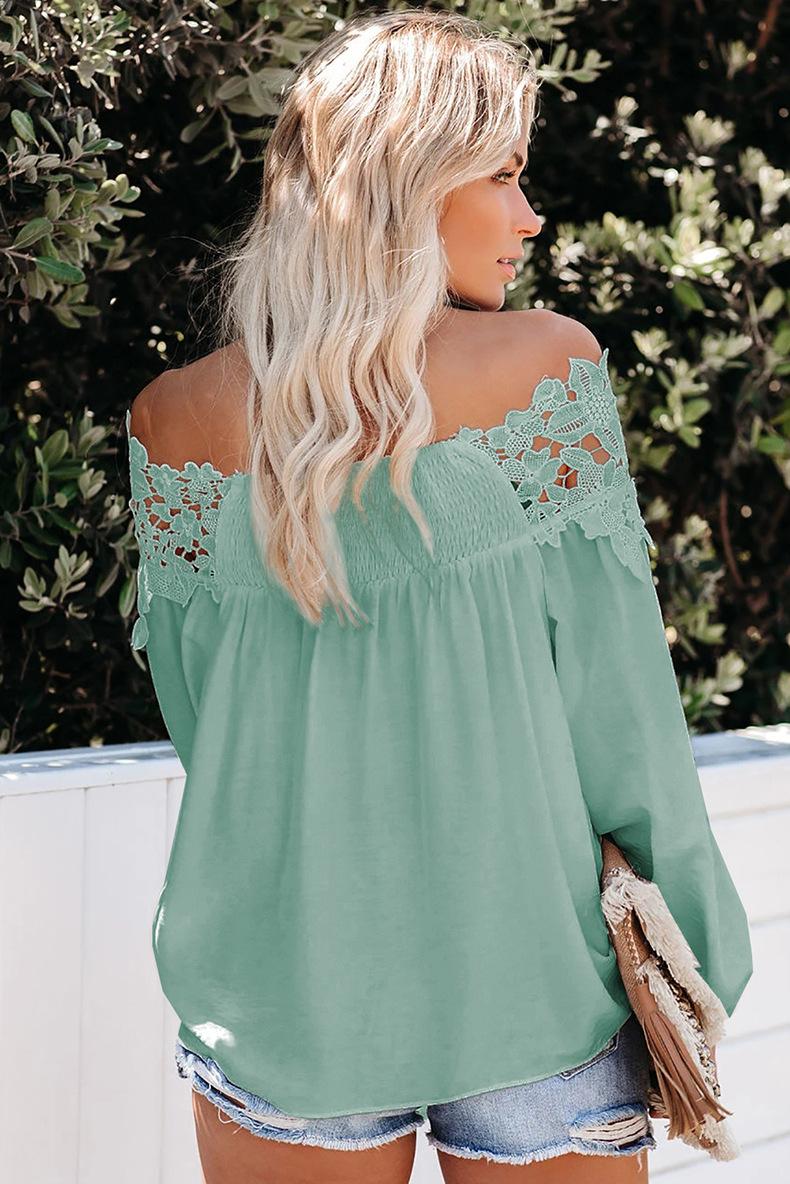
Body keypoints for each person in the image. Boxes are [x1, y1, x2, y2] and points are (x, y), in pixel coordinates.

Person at [125, 9, 753, 1183]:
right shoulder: (542, 371)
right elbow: (620, 712)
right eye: (504, 175)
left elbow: (213, 729)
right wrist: (699, 947)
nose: (530, 216)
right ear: (407, 180)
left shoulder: (171, 418)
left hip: (279, 990)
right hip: (531, 984)